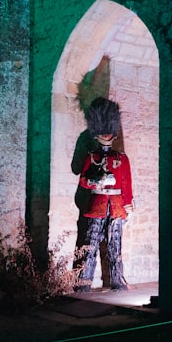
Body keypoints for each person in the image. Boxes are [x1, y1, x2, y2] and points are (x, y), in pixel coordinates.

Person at [73, 97, 134, 292]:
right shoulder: (92, 157)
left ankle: (117, 280)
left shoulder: (121, 158)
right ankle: (83, 282)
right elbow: (82, 178)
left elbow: (126, 183)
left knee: (115, 244)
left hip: (115, 205)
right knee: (90, 243)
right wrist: (93, 180)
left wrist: (128, 204)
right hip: (97, 203)